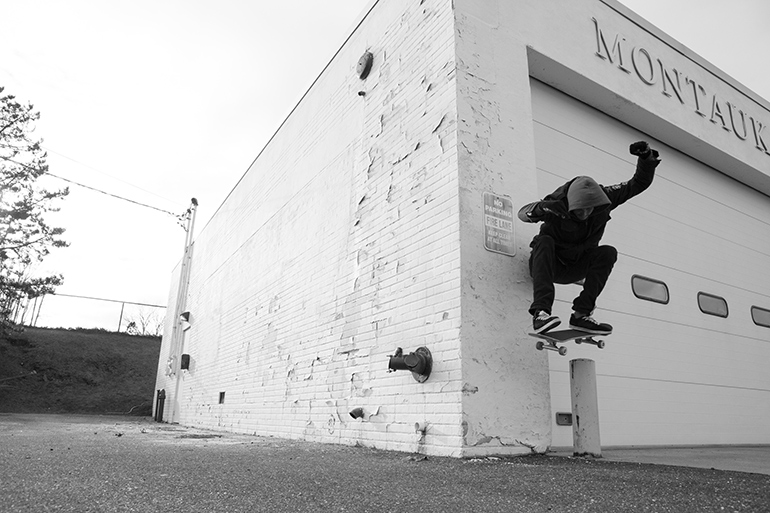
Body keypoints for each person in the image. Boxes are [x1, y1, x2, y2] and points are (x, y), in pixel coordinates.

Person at [517, 141, 661, 335]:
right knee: (544, 241)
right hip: (549, 265)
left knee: (608, 252)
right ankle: (541, 313)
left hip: (577, 267)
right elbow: (523, 214)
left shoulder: (606, 198)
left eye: (590, 209)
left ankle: (581, 315)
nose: (585, 213)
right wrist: (542, 207)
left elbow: (638, 183)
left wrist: (646, 158)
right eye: (580, 210)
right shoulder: (555, 203)